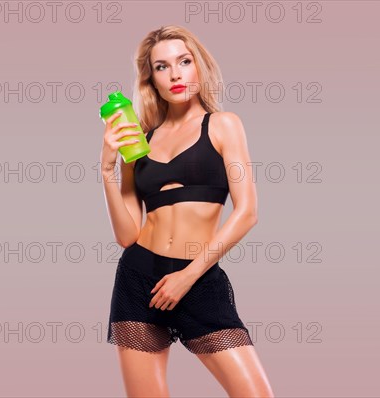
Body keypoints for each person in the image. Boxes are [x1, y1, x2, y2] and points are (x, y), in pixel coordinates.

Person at [99, 25, 274, 397]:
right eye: (162, 67)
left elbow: (247, 212)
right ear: (152, 80)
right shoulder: (140, 140)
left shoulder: (224, 125)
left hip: (197, 278)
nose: (175, 74)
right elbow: (127, 235)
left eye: (184, 61)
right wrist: (106, 170)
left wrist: (188, 276)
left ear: (199, 66)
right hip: (139, 279)